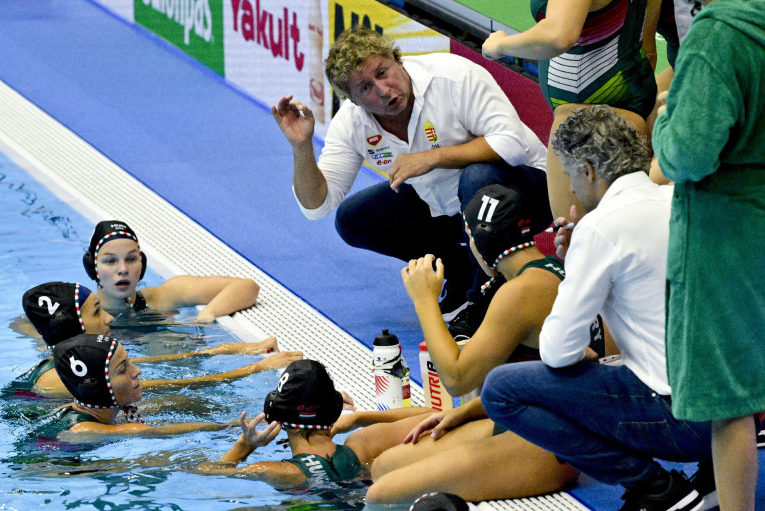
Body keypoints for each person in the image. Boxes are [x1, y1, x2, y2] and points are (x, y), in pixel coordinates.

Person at [480, 106, 713, 511]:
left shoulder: (600, 227)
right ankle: (711, 478)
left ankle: (655, 488)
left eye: (570, 176)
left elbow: (558, 351)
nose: (570, 190)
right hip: (737, 407)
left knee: (501, 390)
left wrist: (577, 269)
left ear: (588, 170)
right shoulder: (683, 197)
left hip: (683, 422)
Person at [272, 28, 553, 336]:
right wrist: (301, 147)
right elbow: (317, 205)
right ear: (351, 99)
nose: (383, 89)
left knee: (477, 175)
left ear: (398, 60)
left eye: (383, 72)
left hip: (529, 191)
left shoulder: (452, 77)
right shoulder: (352, 123)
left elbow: (513, 145)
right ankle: (459, 270)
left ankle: (480, 298)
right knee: (353, 219)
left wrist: (432, 157)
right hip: (449, 203)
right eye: (366, 87)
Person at [348, 184, 579, 504]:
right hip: (523, 415)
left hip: (547, 441)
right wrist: (465, 413)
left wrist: (425, 300)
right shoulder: (545, 271)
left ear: (477, 241)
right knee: (373, 449)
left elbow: (456, 379)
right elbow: (538, 382)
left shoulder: (521, 291)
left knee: (382, 492)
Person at [652, 1, 765, 509]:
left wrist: (662, 121)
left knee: (730, 400)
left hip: (731, 236)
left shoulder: (718, 34)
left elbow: (687, 155)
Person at [481, 0, 659, 220]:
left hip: (586, 119)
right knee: (624, 230)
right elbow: (646, 35)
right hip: (632, 90)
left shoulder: (578, 120)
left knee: (576, 241)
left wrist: (499, 45)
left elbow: (558, 35)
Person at [15, 281, 299, 398]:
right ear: (73, 324)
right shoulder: (55, 380)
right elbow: (160, 387)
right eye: (98, 312)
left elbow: (145, 363)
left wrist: (227, 349)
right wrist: (252, 370)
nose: (109, 319)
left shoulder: (73, 360)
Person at [196, 359, 432, 489]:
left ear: (278, 419)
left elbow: (204, 474)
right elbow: (434, 415)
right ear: (334, 412)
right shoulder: (362, 445)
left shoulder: (281, 471)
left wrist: (245, 445)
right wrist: (358, 418)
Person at [31, 334, 231, 439]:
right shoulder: (85, 429)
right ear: (100, 387)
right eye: (122, 369)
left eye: (129, 362)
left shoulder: (79, 408)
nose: (137, 371)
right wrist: (231, 426)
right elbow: (158, 432)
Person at [84, 220, 259, 322]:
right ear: (93, 267)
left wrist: (207, 314)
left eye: (131, 259)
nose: (123, 269)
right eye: (110, 261)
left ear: (142, 263)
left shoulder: (163, 297)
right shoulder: (85, 320)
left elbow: (247, 287)